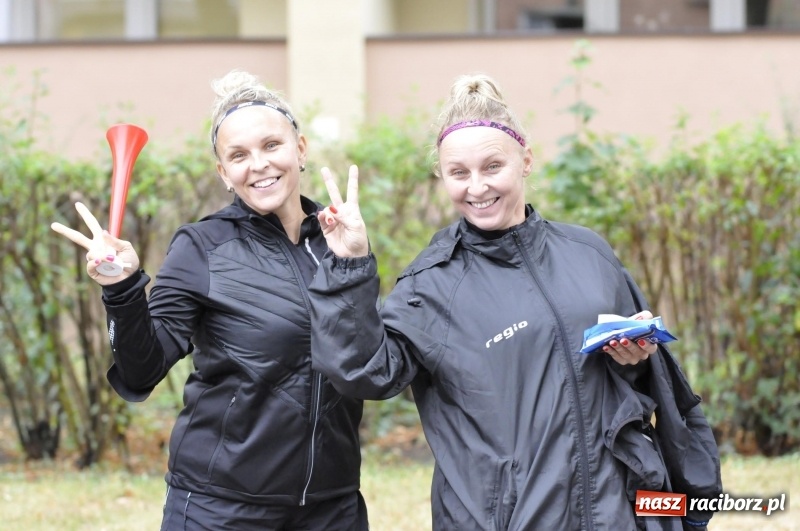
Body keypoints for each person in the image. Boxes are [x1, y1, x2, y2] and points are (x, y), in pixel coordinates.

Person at [308, 73, 722, 530]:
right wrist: (349, 266)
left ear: (525, 159)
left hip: (616, 510)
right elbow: (366, 371)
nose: (477, 188)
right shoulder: (434, 283)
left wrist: (635, 359)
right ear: (441, 176)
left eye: (492, 167)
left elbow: (643, 380)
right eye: (459, 173)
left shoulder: (588, 253)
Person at [51, 70, 369, 530]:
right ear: (224, 173)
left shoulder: (340, 238)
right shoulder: (202, 247)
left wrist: (357, 264)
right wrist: (121, 290)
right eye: (238, 155)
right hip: (222, 507)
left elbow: (365, 359)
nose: (257, 164)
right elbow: (144, 367)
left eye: (271, 146)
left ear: (300, 149)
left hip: (331, 504)